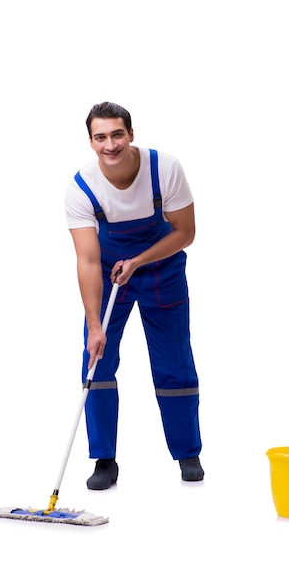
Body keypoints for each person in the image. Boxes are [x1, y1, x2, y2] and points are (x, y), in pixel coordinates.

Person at [65, 102, 203, 489]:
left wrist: (139, 260)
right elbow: (89, 261)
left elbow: (185, 233)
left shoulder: (165, 169)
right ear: (91, 141)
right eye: (100, 137)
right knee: (97, 362)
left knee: (174, 362)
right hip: (109, 276)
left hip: (162, 269)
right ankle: (104, 460)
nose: (110, 144)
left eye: (117, 134)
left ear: (130, 133)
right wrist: (94, 325)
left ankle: (188, 452)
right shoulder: (81, 188)